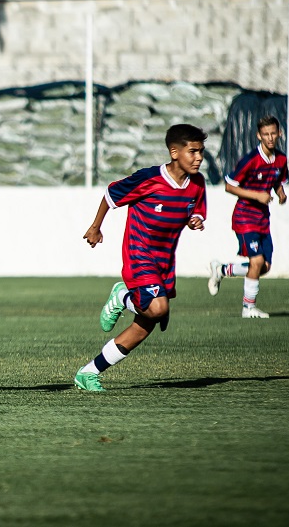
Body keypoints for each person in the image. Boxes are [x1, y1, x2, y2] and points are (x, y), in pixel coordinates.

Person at [74, 124, 207, 392]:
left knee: (145, 326)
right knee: (158, 309)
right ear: (174, 152)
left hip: (165, 262)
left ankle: (88, 372)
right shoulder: (149, 179)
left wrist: (196, 220)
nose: (198, 157)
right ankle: (123, 296)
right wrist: (95, 227)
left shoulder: (197, 184)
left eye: (201, 152)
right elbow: (111, 195)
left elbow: (198, 210)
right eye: (192, 151)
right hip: (139, 254)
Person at [207, 116, 288, 318]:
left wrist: (280, 192)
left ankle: (222, 270)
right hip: (245, 217)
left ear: (280, 134)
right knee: (257, 260)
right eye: (265, 134)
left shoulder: (281, 160)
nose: (270, 138)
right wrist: (257, 195)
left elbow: (276, 179)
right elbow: (229, 185)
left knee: (264, 267)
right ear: (258, 136)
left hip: (263, 219)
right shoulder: (251, 159)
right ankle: (248, 308)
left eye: (273, 133)